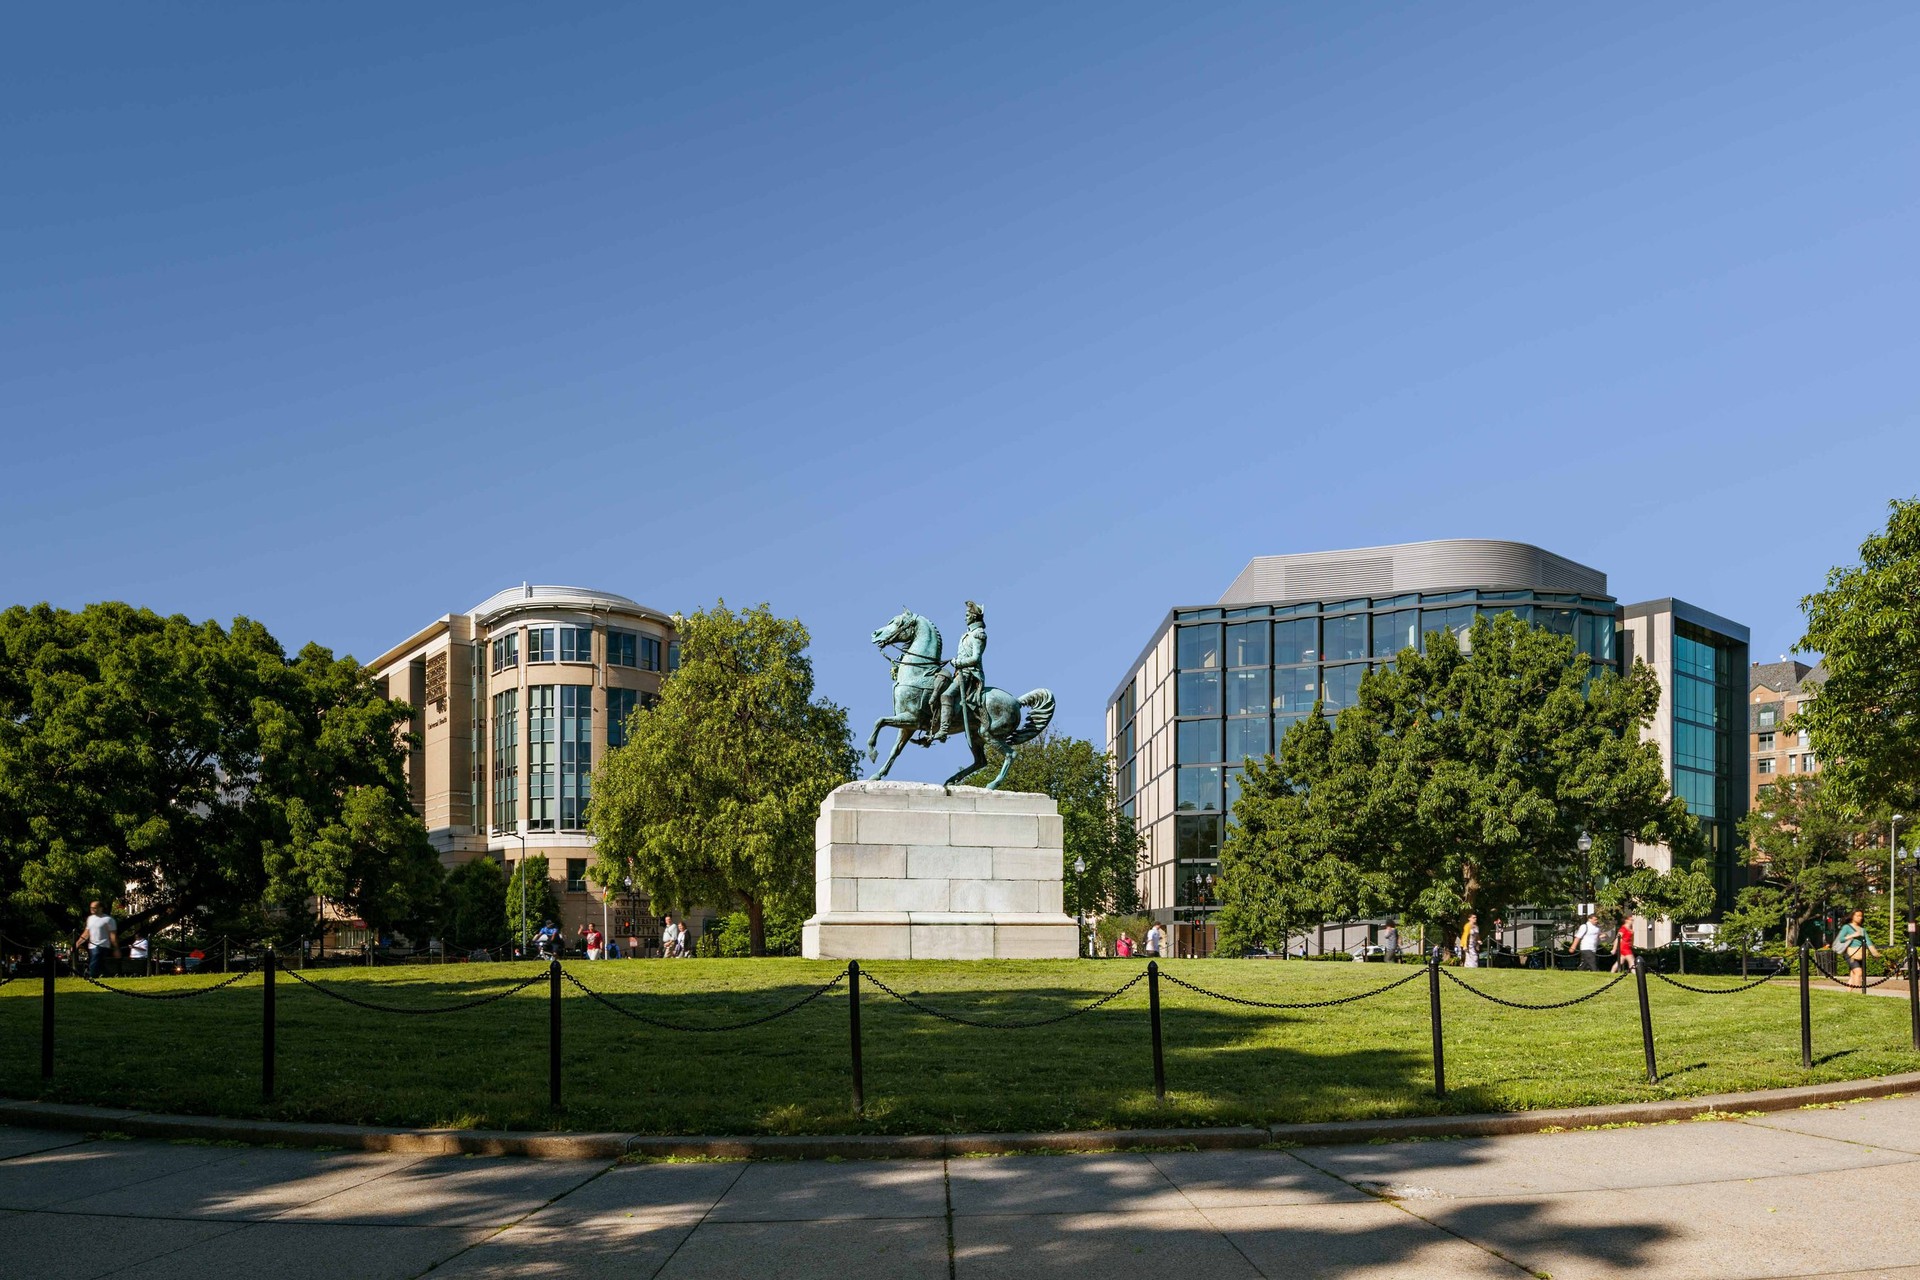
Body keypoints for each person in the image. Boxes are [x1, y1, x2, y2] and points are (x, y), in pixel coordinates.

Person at [935, 601, 987, 743]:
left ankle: (944, 730)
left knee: (946, 695)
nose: (965, 618)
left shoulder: (978, 634)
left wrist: (958, 663)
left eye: (967, 615)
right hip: (960, 672)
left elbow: (976, 658)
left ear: (974, 616)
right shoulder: (968, 634)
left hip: (969, 673)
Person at [1833, 910, 1881, 991]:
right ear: (1852, 916)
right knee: (1858, 972)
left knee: (1853, 974)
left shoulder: (1862, 929)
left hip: (1860, 953)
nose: (1860, 918)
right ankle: (1858, 991)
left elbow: (1868, 942)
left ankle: (1848, 992)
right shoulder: (1847, 927)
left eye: (1861, 916)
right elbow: (1841, 939)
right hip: (1850, 953)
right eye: (1857, 916)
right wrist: (1852, 935)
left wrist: (1875, 953)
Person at [78, 901, 118, 979]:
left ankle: (91, 976)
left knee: (95, 961)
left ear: (100, 908)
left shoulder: (108, 919)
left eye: (94, 907)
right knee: (100, 963)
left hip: (102, 945)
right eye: (91, 907)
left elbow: (113, 935)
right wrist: (77, 943)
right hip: (92, 946)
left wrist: (116, 948)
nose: (92, 909)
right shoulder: (90, 919)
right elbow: (86, 933)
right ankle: (107, 975)